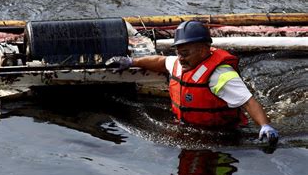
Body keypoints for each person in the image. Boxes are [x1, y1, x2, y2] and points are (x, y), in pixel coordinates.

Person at [106, 20, 279, 144]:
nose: (180, 58)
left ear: (204, 50)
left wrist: (265, 126)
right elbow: (160, 61)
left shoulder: (220, 75)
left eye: (186, 53)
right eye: (179, 52)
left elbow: (248, 102)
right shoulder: (180, 64)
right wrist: (131, 62)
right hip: (187, 126)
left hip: (224, 133)